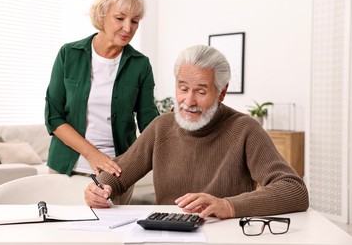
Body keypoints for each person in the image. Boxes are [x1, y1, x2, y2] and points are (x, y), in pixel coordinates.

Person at [84, 45, 309, 219]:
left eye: (201, 91)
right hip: (167, 234)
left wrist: (228, 206)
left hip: (224, 235)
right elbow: (118, 175)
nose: (188, 101)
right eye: (183, 89)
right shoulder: (161, 126)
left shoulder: (244, 129)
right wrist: (100, 188)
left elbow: (294, 190)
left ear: (222, 92)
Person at [44, 0, 159, 204]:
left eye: (135, 21)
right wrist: (93, 155)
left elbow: (148, 123)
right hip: (66, 169)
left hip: (117, 175)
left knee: (111, 237)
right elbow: (53, 116)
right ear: (102, 14)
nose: (128, 28)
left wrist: (172, 127)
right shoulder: (69, 54)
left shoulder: (140, 65)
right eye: (120, 18)